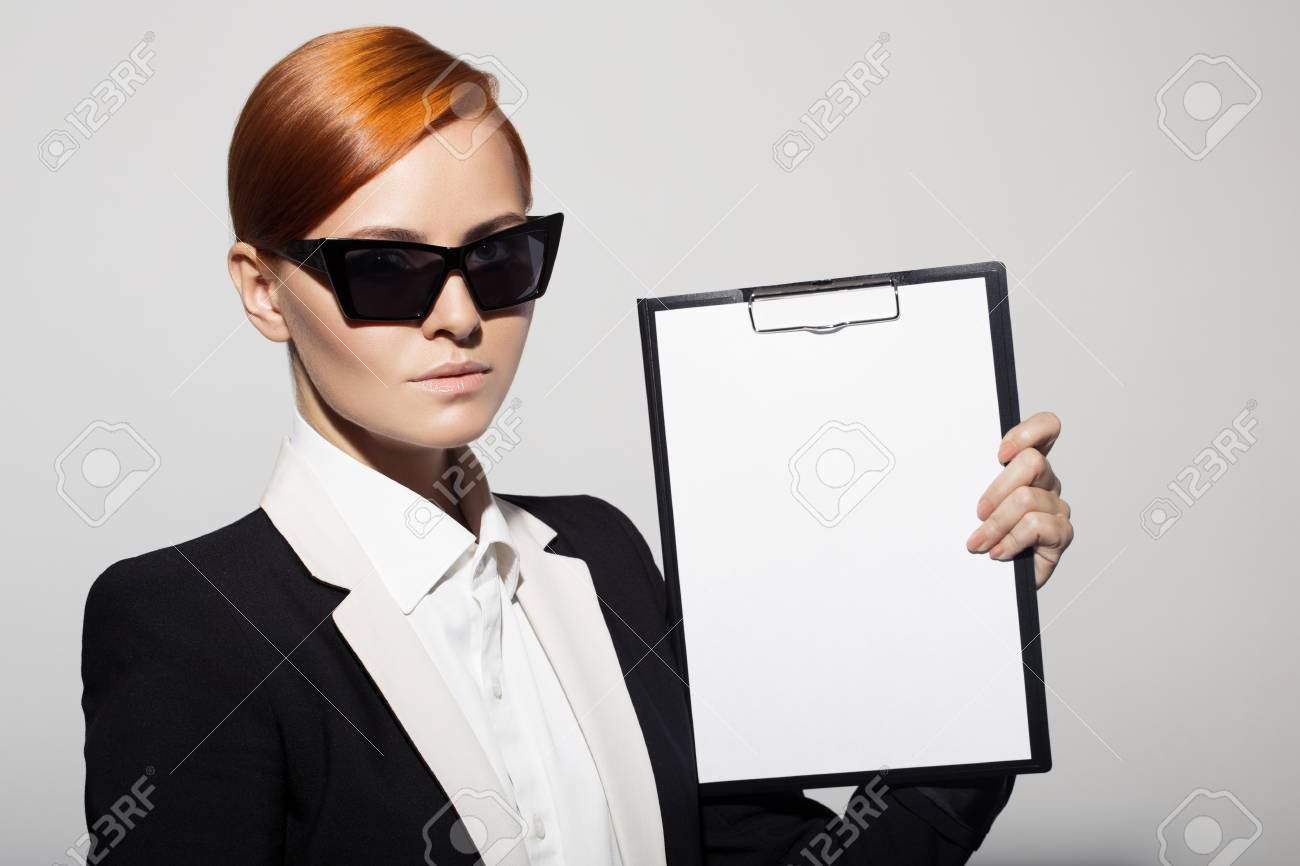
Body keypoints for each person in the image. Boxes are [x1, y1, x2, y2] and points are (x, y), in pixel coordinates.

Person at [80, 25, 1074, 865]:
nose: (459, 316)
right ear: (263, 290)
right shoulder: (187, 623)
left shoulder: (604, 559)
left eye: (496, 256)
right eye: (387, 268)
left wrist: (973, 627)